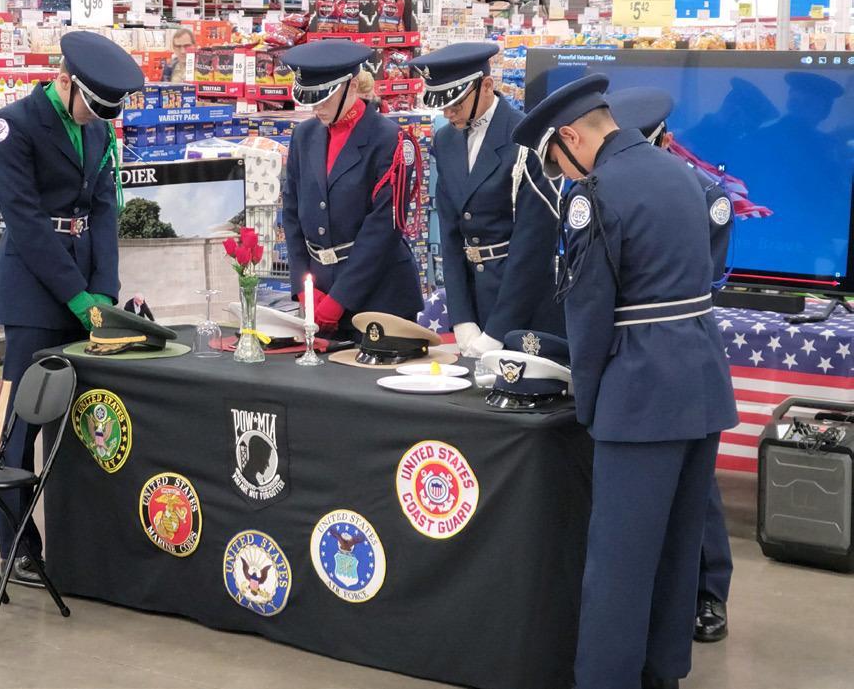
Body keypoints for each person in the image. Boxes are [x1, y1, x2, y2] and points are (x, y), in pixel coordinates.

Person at [513, 74, 738, 689]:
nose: (561, 176)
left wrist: (587, 400)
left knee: (617, 562)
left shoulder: (597, 194)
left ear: (568, 138)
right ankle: (663, 670)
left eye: (557, 163)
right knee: (675, 547)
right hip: (701, 383)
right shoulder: (681, 174)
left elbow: (588, 314)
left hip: (639, 395)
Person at [0, 31, 143, 584]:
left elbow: (103, 211)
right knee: (21, 425)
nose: (91, 121)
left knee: (86, 420)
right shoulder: (14, 126)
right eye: (89, 107)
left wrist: (103, 290)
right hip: (33, 290)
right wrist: (77, 296)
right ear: (65, 81)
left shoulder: (98, 128)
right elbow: (26, 223)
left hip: (85, 286)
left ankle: (83, 545)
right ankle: (18, 546)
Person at [606, 87, 735, 644]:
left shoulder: (703, 194)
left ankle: (708, 592)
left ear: (659, 139)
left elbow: (697, 276)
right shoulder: (604, 187)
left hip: (676, 347)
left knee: (695, 488)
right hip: (625, 350)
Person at [408, 43, 563, 358]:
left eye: (456, 105)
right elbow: (450, 232)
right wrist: (462, 316)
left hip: (523, 301)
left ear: (487, 86)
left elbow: (534, 244)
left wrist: (498, 329)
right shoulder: (445, 139)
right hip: (474, 299)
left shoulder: (526, 140)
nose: (448, 114)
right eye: (444, 106)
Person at [280, 40, 423, 337]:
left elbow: (384, 227)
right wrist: (303, 285)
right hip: (319, 287)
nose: (317, 107)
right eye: (311, 99)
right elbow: (292, 212)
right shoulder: (304, 136)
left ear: (353, 85)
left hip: (379, 293)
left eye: (325, 98)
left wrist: (340, 298)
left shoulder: (389, 139)